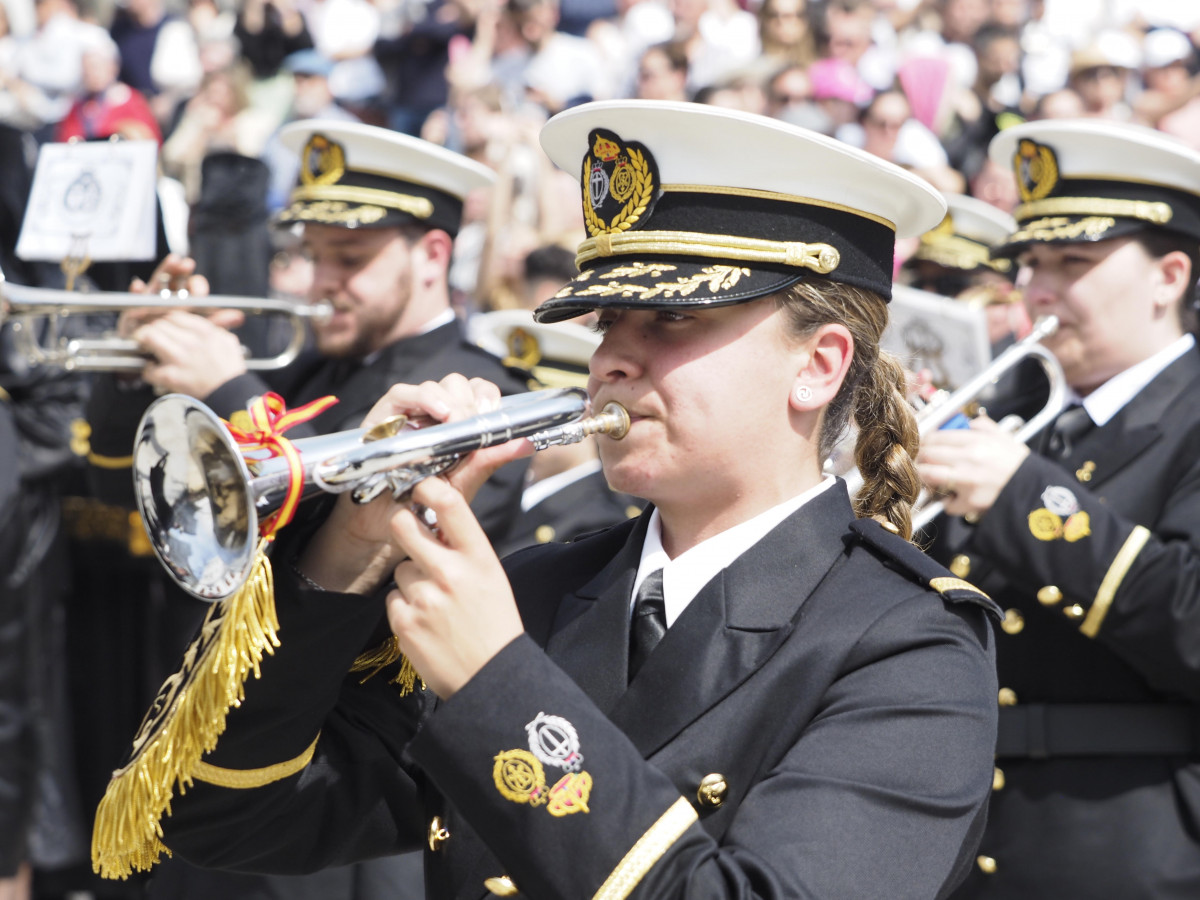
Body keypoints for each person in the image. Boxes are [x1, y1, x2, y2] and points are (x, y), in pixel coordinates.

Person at [92, 101, 1001, 898]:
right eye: (609, 319)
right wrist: (345, 555)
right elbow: (230, 821)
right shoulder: (539, 590)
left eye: (673, 318)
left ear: (819, 365)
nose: (612, 357)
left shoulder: (910, 648)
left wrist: (497, 680)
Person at [81, 120, 532, 900]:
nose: (318, 281)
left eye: (350, 260)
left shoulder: (469, 385)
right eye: (311, 255)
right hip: (222, 747)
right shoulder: (311, 366)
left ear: (431, 256)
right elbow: (114, 487)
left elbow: (376, 568)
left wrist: (230, 394)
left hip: (322, 813)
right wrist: (141, 369)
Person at [916, 119, 1200, 897]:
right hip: (961, 839)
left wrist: (1022, 496)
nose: (1038, 288)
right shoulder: (1013, 411)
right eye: (1032, 262)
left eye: (1073, 262)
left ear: (1168, 276)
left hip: (1136, 848)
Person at [468, 308, 644, 557]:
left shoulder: (600, 519)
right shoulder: (510, 497)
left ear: (582, 411)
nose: (515, 424)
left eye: (538, 410)